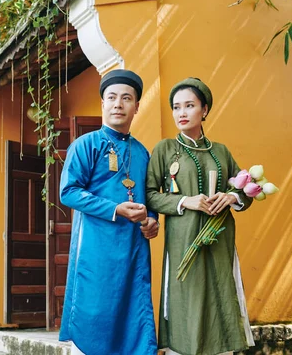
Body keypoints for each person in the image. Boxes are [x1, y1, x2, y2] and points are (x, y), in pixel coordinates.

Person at [146, 78, 254, 355]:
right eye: (176, 107)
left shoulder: (221, 152)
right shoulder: (165, 149)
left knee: (220, 293)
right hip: (183, 241)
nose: (181, 113)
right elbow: (150, 195)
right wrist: (185, 201)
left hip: (219, 240)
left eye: (189, 105)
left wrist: (231, 197)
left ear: (204, 110)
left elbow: (245, 191)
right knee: (188, 298)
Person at [58, 69, 159, 355]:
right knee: (95, 313)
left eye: (126, 98)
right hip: (95, 248)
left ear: (136, 107)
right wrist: (115, 208)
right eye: (112, 97)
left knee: (133, 314)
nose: (118, 104)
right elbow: (69, 192)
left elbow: (149, 196)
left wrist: (153, 220)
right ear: (102, 103)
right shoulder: (85, 145)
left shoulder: (142, 153)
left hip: (133, 249)